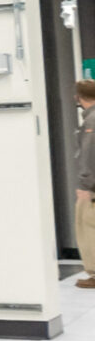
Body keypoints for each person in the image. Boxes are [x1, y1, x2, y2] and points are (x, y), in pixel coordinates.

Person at [75, 79, 95, 290]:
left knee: (88, 229)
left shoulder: (91, 121)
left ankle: (94, 274)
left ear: (79, 98)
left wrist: (85, 185)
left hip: (92, 188)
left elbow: (89, 156)